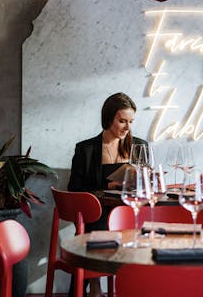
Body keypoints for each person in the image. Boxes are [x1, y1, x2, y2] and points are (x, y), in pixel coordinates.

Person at [68, 92, 147, 297]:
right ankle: (95, 286)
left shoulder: (139, 146)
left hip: (130, 213)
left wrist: (138, 181)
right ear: (108, 118)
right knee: (99, 222)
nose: (127, 127)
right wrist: (107, 184)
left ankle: (128, 286)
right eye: (122, 121)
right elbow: (74, 189)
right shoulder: (85, 149)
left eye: (131, 121)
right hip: (97, 214)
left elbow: (147, 186)